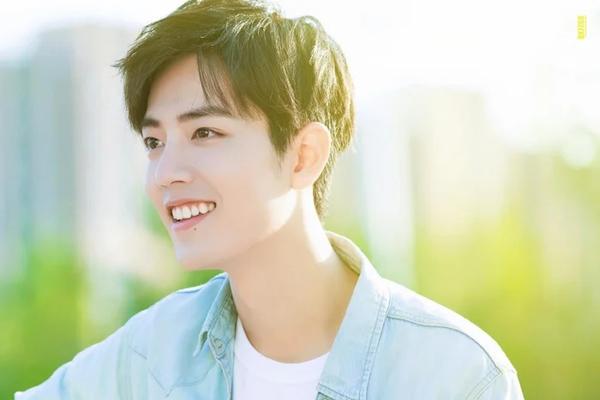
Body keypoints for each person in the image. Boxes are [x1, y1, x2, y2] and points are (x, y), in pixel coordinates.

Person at [15, 0, 525, 398]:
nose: (165, 174)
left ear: (304, 155)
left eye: (205, 133)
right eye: (154, 142)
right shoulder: (151, 355)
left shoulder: (454, 375)